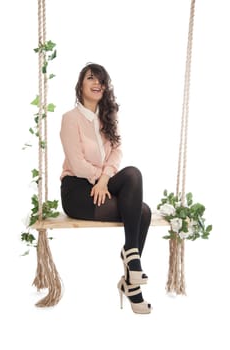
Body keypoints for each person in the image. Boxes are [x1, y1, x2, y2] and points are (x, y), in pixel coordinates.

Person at [60, 63, 152, 314]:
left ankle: (131, 263)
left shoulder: (108, 117)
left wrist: (104, 180)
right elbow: (77, 163)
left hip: (102, 185)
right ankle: (133, 279)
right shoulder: (70, 118)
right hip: (78, 190)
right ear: (81, 85)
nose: (97, 83)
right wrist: (98, 179)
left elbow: (117, 153)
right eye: (91, 78)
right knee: (141, 213)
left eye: (101, 80)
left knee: (134, 177)